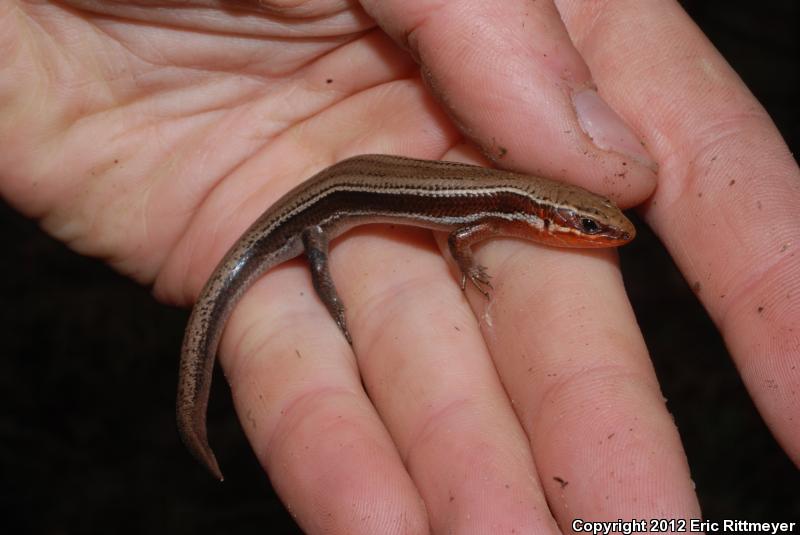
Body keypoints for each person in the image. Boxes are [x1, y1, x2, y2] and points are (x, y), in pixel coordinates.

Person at [1, 0, 796, 531]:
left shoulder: (498, 202)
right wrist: (466, 272)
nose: (599, 231)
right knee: (310, 254)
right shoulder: (486, 212)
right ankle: (215, 387)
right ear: (549, 214)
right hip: (320, 208)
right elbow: (457, 241)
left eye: (593, 223)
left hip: (342, 188)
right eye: (589, 225)